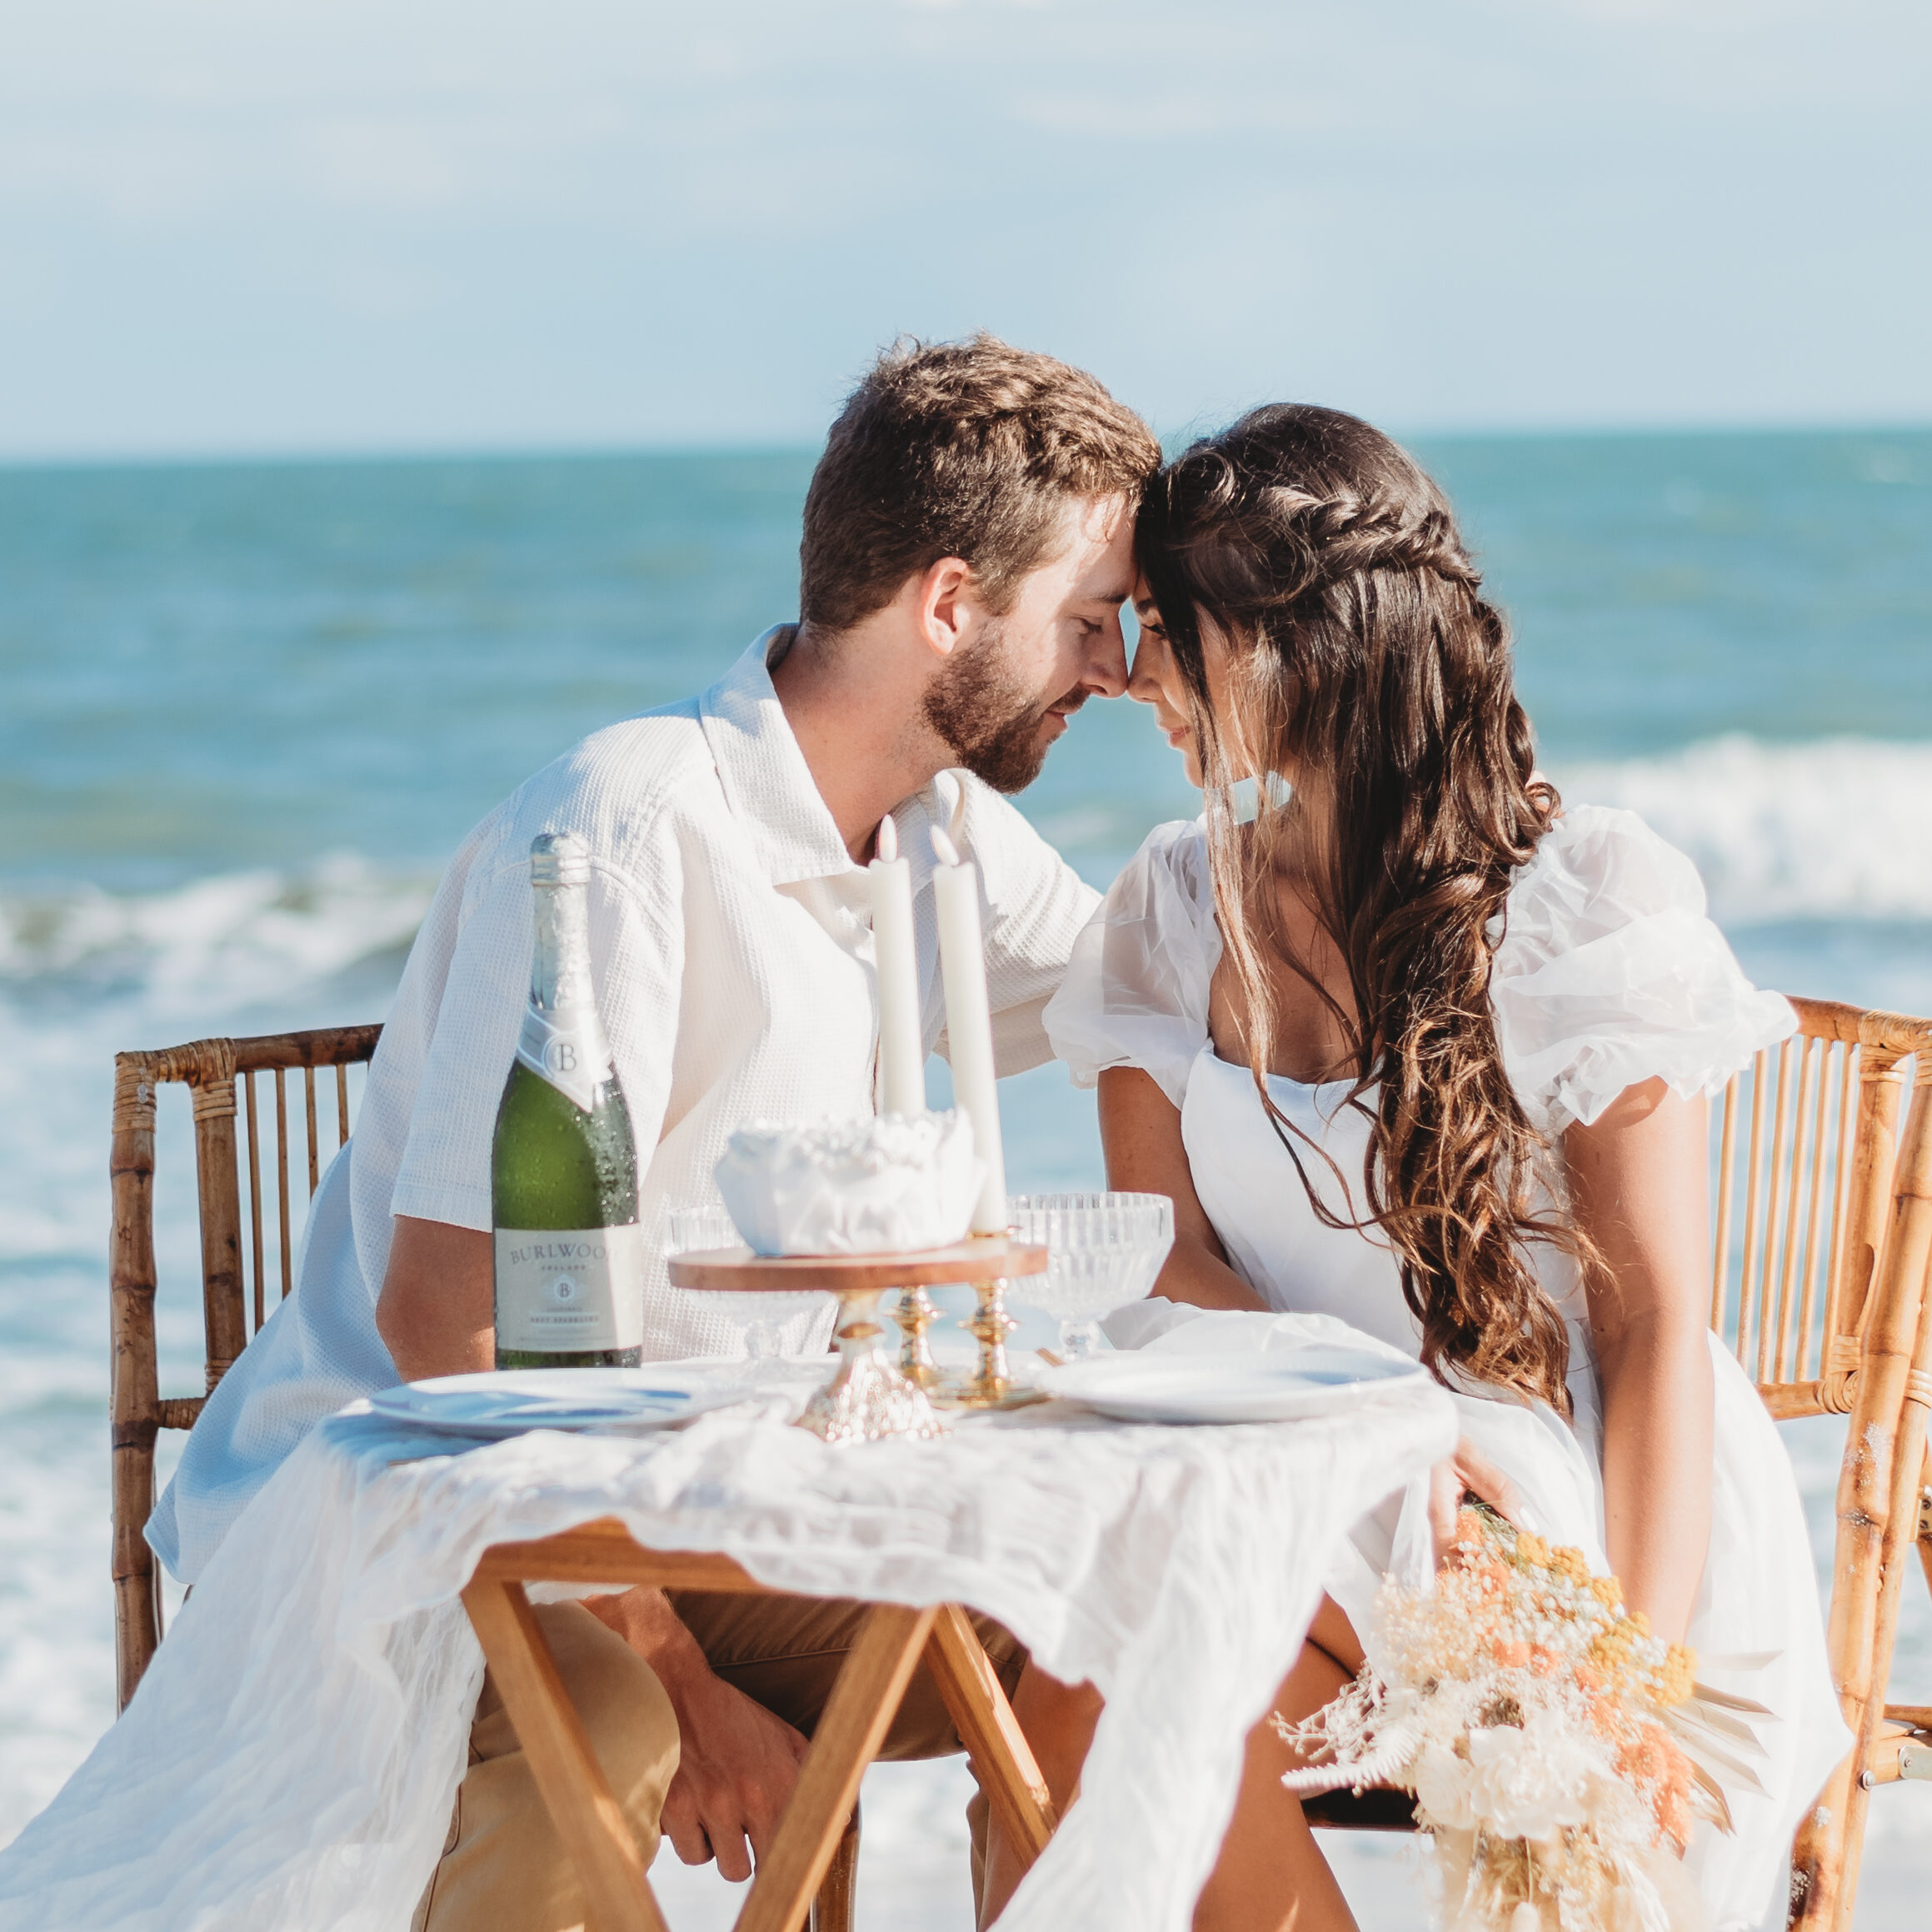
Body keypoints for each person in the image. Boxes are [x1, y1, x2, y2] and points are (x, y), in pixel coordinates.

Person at [146, 335, 1161, 1931]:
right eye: (1094, 624)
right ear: (949, 605)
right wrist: (672, 1666)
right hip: (420, 1511)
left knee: (1103, 1635)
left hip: (709, 1512)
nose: (1111, 671)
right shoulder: (620, 832)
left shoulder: (942, 829)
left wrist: (1265, 744)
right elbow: (448, 1323)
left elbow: (1167, 989)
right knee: (605, 1734)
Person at [1000, 405, 1849, 1932]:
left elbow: (1652, 1318)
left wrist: (1631, 1673)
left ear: (1285, 647)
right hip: (1313, 1461)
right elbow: (1159, 1254)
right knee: (1068, 1691)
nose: (1130, 676)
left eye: (1165, 635)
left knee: (1129, 1659)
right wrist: (1364, 1423)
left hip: (1568, 1507)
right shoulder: (1172, 909)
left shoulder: (1581, 901)